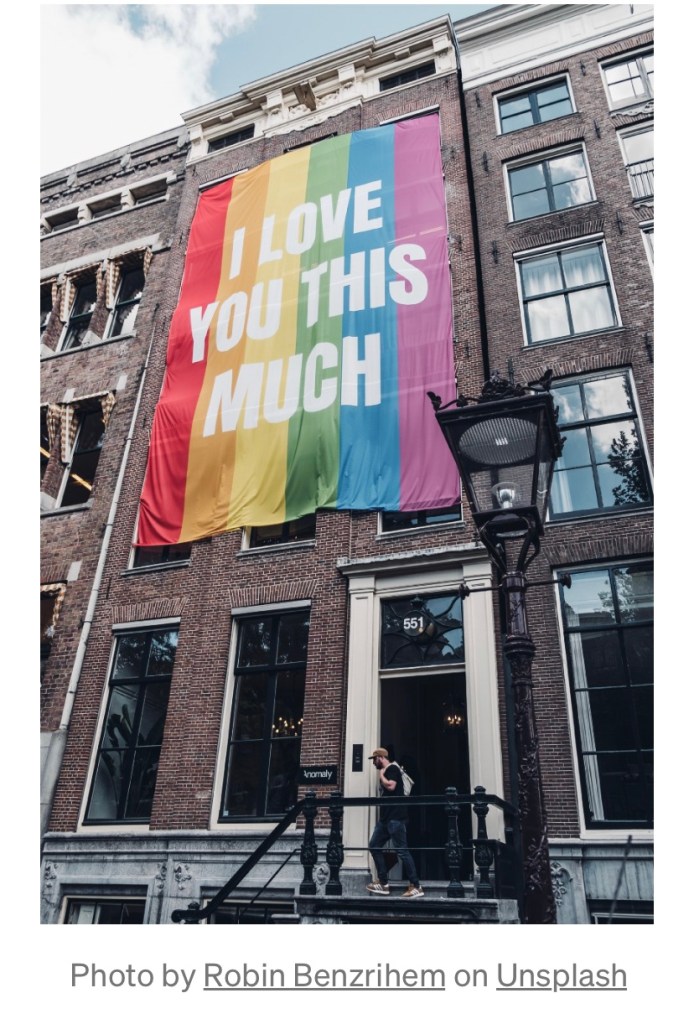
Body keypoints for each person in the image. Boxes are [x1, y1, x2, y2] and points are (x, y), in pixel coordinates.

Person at [366, 747, 423, 899]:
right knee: (374, 845)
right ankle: (384, 883)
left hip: (396, 819)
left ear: (380, 758)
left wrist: (381, 776)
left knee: (402, 851)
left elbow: (391, 786)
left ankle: (416, 886)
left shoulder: (391, 769)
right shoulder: (389, 769)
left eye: (374, 759)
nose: (374, 763)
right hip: (386, 820)